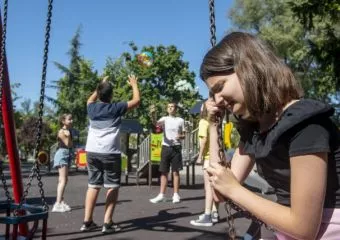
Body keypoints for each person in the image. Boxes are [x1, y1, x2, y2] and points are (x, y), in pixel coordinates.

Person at [201, 32, 340, 239]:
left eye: (220, 87)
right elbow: (219, 192)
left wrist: (235, 190)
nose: (217, 99)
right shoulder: (255, 130)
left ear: (249, 69)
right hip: (286, 228)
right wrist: (214, 126)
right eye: (213, 93)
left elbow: (304, 228)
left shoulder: (305, 124)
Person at [80, 74, 140, 234]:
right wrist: (134, 84)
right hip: (110, 153)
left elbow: (90, 99)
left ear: (98, 94)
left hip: (92, 152)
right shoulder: (116, 108)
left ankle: (87, 222)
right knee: (112, 186)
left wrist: (101, 84)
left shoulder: (91, 108)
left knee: (93, 185)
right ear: (112, 95)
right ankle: (107, 223)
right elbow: (136, 101)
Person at [149, 102, 186, 204]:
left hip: (176, 148)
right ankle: (161, 195)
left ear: (176, 109)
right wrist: (153, 114)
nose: (170, 108)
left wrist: (181, 136)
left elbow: (184, 135)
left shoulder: (180, 120)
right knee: (164, 172)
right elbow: (155, 123)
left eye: (172, 107)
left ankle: (176, 195)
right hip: (166, 147)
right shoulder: (164, 119)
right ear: (167, 109)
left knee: (175, 172)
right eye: (169, 107)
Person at [190, 102, 219, 227]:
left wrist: (199, 156)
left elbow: (203, 140)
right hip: (217, 158)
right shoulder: (216, 122)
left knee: (208, 188)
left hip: (208, 158)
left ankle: (207, 216)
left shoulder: (203, 122)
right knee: (215, 187)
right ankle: (215, 213)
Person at [52, 113, 73, 213]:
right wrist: (68, 137)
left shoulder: (68, 131)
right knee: (63, 180)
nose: (71, 121)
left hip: (66, 154)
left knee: (64, 180)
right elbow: (68, 144)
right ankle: (57, 204)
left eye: (71, 119)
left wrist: (69, 136)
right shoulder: (62, 131)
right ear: (63, 121)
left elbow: (71, 145)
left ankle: (60, 201)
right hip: (62, 155)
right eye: (69, 119)